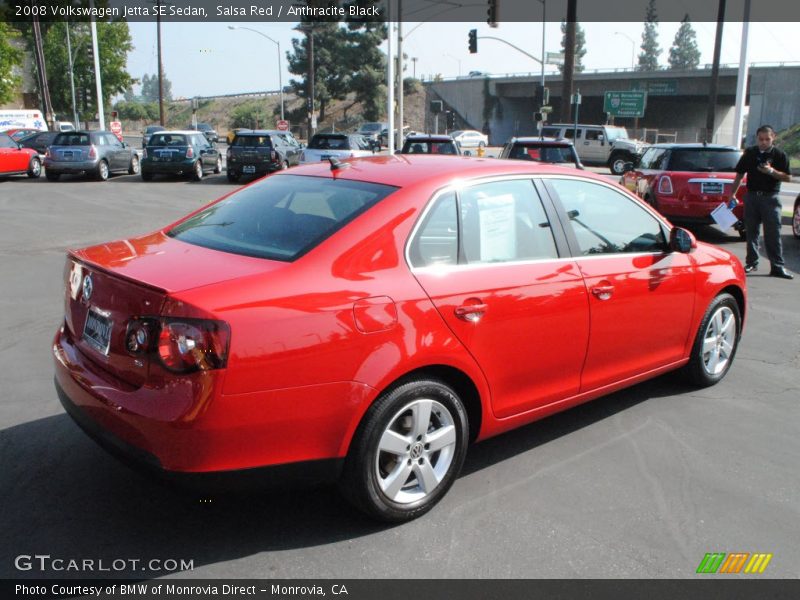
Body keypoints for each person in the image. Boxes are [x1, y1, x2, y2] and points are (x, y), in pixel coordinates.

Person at [729, 125, 793, 279]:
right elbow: (739, 174)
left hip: (770, 197)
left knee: (773, 233)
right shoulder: (750, 153)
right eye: (761, 139)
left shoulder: (779, 155)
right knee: (751, 231)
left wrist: (772, 171)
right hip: (752, 197)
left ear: (773, 138)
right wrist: (732, 194)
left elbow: (788, 177)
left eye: (767, 139)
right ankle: (752, 262)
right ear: (756, 138)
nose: (763, 142)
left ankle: (777, 266)